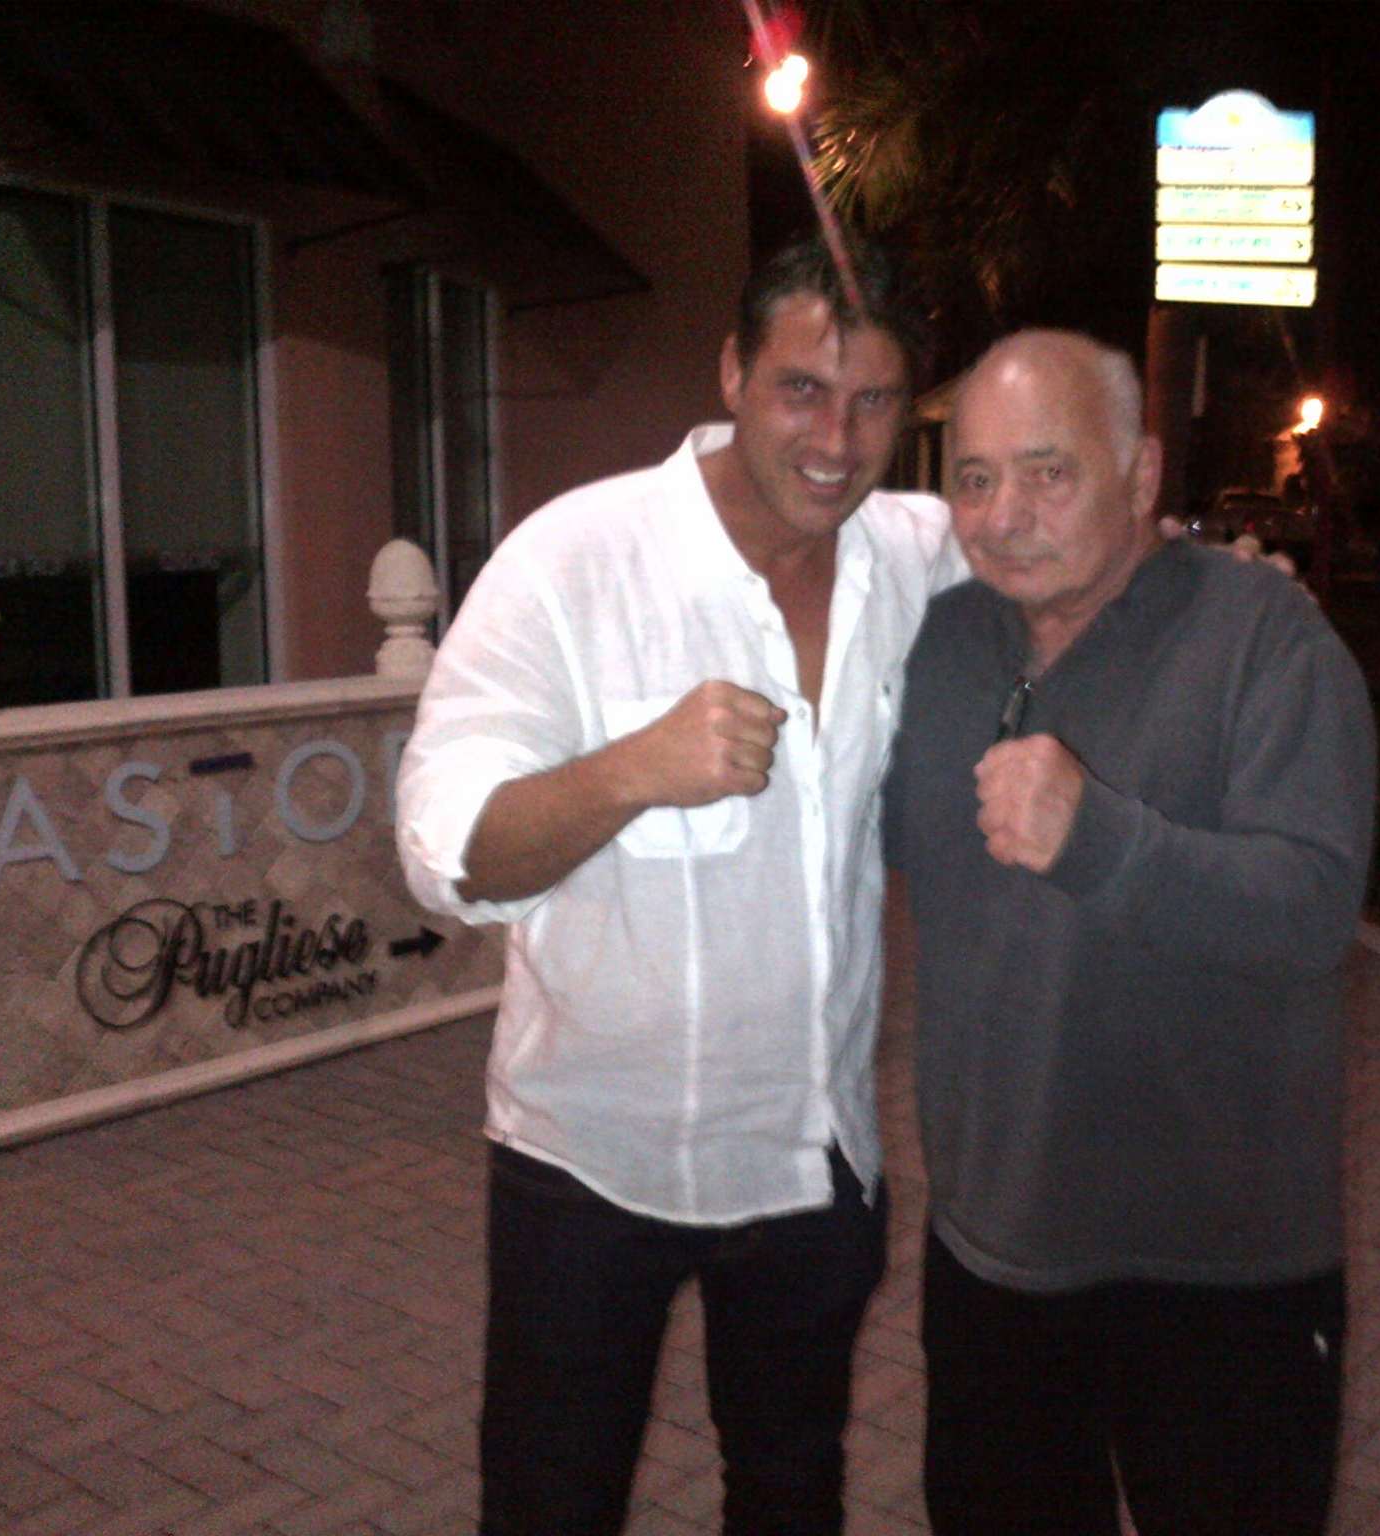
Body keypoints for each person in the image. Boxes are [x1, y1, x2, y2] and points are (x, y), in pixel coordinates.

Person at [395, 237, 965, 1535]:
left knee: (791, 1494)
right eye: (801, 390)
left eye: (872, 401)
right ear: (732, 374)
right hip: (592, 1172)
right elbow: (442, 851)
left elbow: (1070, 544)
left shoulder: (914, 554)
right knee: (550, 1508)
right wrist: (629, 772)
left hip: (810, 1161)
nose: (836, 440)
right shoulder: (574, 560)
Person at [883, 330, 1377, 1535]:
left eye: (1047, 472)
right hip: (992, 1256)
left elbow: (1312, 908)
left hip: (1218, 1271)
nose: (1004, 516)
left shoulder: (1265, 639)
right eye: (975, 478)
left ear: (1140, 472)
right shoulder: (939, 644)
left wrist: (1100, 840)